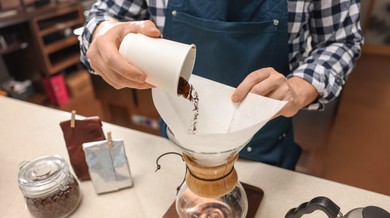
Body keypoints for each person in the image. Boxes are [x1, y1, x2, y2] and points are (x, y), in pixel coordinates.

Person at [80, 0, 363, 170]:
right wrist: (103, 35)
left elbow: (341, 39)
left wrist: (299, 88)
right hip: (178, 148)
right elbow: (102, 16)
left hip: (265, 151)